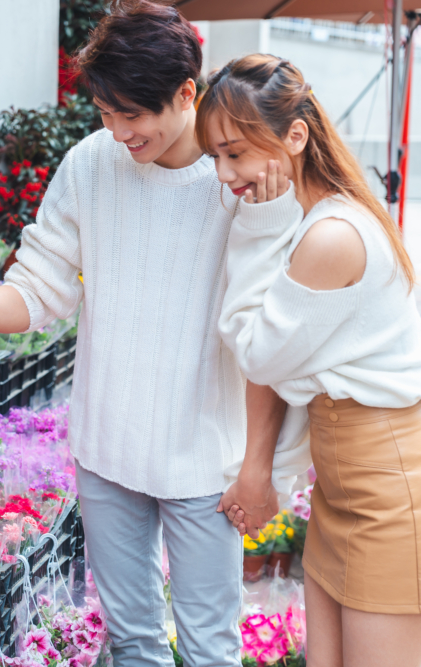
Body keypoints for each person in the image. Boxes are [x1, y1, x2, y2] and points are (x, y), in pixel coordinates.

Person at [0, 3, 307, 665]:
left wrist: (259, 465)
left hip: (204, 461)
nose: (117, 132)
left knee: (210, 649)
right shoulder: (91, 163)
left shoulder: (241, 179)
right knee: (133, 641)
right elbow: (38, 287)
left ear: (186, 94)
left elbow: (273, 341)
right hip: (107, 450)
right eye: (105, 113)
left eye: (132, 115)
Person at [199, 54, 421, 666]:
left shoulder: (329, 236)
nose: (224, 173)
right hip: (346, 484)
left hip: (386, 488)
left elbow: (255, 352)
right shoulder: (322, 219)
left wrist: (256, 224)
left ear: (295, 135)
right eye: (214, 155)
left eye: (236, 153)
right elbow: (277, 363)